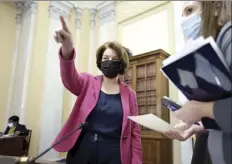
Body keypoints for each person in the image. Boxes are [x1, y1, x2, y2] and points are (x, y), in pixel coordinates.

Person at [52, 16, 142, 164]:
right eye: (106, 58)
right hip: (82, 149)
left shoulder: (130, 94)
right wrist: (67, 48)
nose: (109, 62)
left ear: (121, 64)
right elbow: (69, 78)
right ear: (100, 61)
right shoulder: (87, 82)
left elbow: (134, 131)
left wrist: (136, 161)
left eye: (114, 59)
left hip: (114, 152)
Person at [163, 1, 231, 164]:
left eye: (190, 11)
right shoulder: (218, 45)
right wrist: (199, 126)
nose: (184, 21)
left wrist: (201, 108)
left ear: (215, 7)